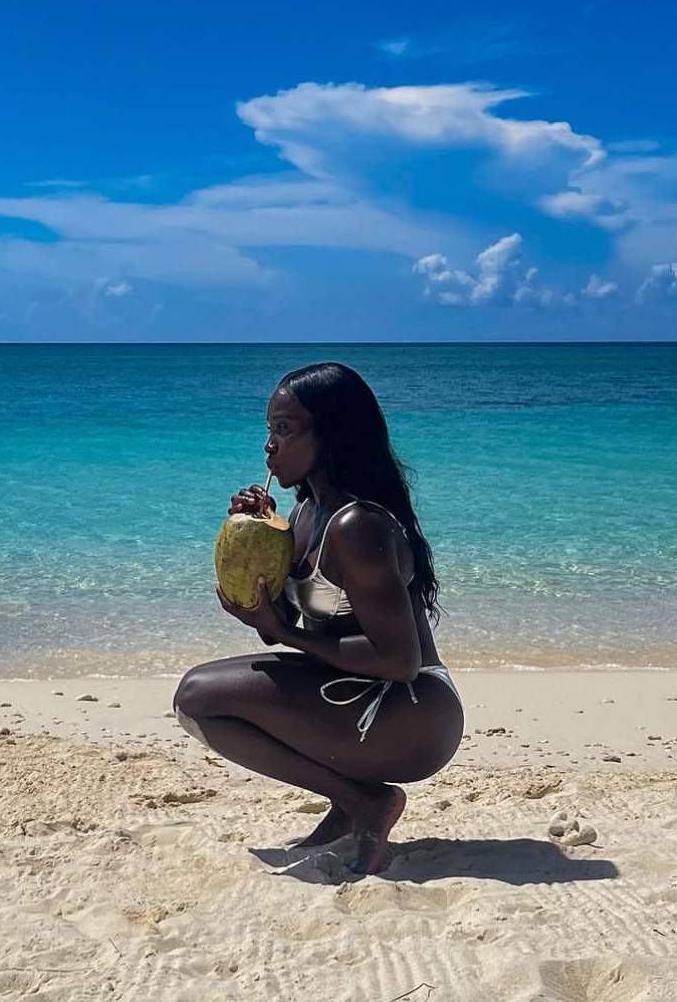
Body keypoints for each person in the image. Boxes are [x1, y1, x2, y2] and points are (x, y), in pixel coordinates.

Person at [173, 362, 464, 876]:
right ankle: (353, 800)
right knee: (198, 699)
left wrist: (285, 632)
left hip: (416, 711)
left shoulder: (358, 525)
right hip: (357, 689)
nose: (269, 446)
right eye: (269, 430)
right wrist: (257, 547)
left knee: (199, 697)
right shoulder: (306, 513)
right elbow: (283, 626)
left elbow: (399, 661)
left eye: (285, 429)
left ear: (330, 434)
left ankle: (366, 802)